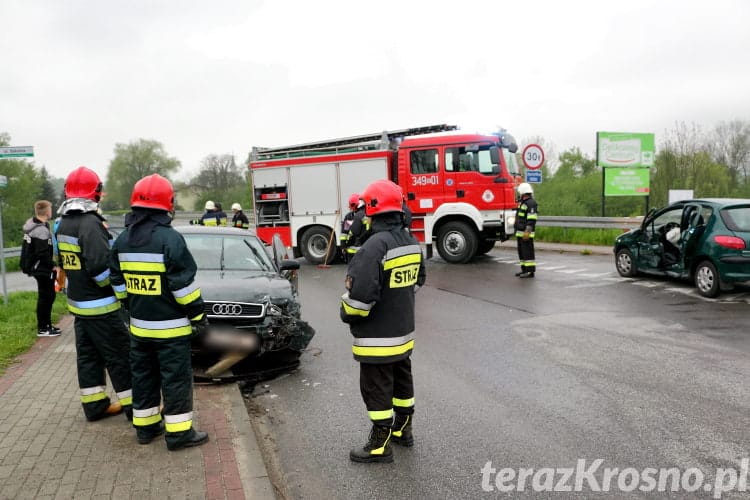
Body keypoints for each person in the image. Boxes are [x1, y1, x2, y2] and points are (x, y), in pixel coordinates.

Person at [109, 173, 209, 451]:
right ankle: (178, 435)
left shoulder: (123, 240)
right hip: (172, 329)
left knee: (143, 378)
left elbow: (116, 282)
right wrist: (198, 315)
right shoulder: (170, 239)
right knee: (175, 380)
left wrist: (130, 304)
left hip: (139, 329)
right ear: (167, 204)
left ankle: (145, 428)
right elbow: (182, 288)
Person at [340, 179, 426, 463]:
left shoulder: (373, 247)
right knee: (402, 384)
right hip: (403, 333)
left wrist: (345, 312)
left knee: (377, 389)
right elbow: (417, 281)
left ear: (372, 210)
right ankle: (404, 431)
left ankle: (379, 444)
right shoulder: (411, 242)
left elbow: (360, 300)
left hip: (377, 338)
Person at [56, 166, 132, 421]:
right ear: (95, 192)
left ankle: (95, 405)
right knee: (121, 357)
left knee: (89, 358)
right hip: (102, 307)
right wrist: (122, 293)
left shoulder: (63, 222)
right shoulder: (90, 223)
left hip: (80, 306)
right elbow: (100, 269)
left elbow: (66, 262)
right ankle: (139, 409)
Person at [22, 200, 60, 336]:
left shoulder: (35, 226)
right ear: (46, 211)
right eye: (50, 208)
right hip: (42, 269)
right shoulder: (40, 230)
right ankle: (43, 328)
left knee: (48, 296)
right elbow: (42, 254)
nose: (51, 210)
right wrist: (53, 266)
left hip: (38, 267)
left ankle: (47, 325)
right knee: (46, 297)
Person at [514, 182, 538, 278]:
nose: (519, 194)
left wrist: (527, 232)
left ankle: (530, 271)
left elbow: (531, 219)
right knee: (522, 252)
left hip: (526, 233)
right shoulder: (523, 203)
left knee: (527, 252)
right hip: (520, 233)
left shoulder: (531, 203)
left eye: (520, 192)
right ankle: (524, 269)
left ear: (524, 193)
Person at [340, 193, 360, 259]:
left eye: (352, 205)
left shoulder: (365, 216)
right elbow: (344, 232)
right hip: (351, 249)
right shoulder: (349, 216)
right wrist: (343, 246)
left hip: (362, 249)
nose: (351, 208)